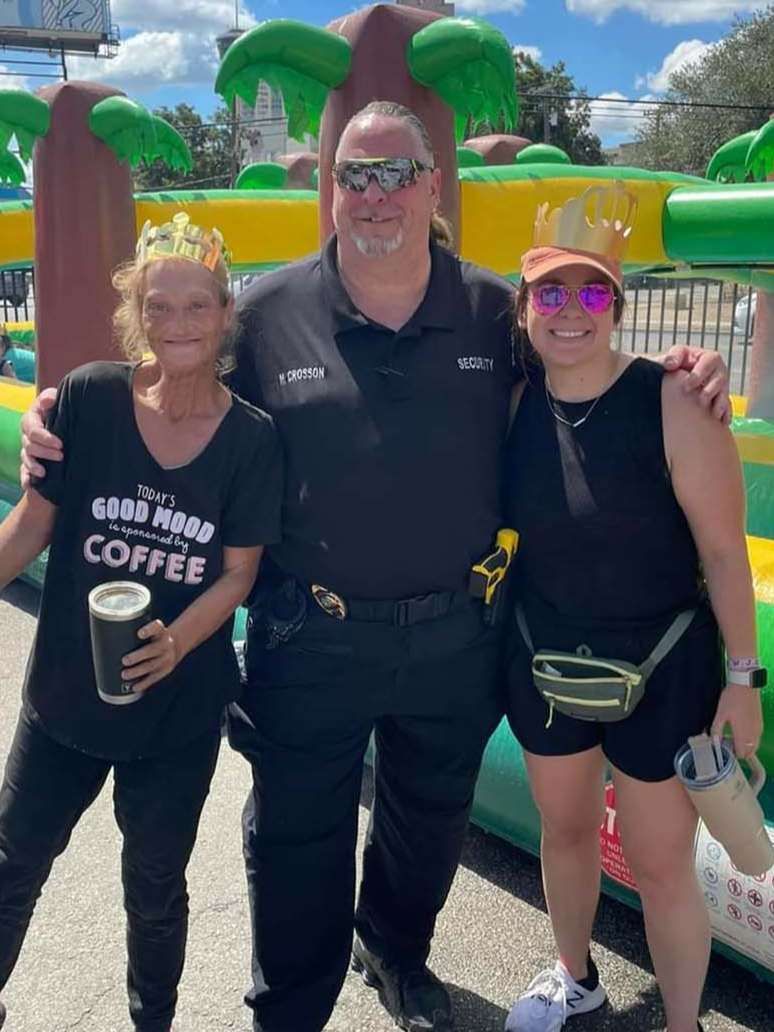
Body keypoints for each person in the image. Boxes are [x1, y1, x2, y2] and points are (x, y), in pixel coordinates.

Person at [20, 104, 731, 1032]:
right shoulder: (271, 314)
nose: (376, 194)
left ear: (436, 186)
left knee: (427, 824)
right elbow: (171, 385)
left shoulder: (490, 309)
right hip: (309, 632)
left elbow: (582, 358)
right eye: (356, 174)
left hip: (456, 632)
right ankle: (292, 1004)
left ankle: (394, 952)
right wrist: (57, 409)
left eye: (398, 174)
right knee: (295, 836)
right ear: (331, 189)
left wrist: (680, 367)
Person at [0, 213, 283, 1032]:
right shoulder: (88, 397)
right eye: (160, 307)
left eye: (197, 306)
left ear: (226, 314)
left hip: (175, 713)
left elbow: (239, 572)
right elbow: (29, 526)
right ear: (137, 315)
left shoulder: (251, 441)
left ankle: (149, 1023)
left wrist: (176, 642)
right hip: (62, 699)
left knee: (154, 890)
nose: (179, 324)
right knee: (12, 866)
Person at [502, 184, 763, 1032]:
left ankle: (681, 1024)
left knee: (660, 867)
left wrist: (742, 679)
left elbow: (726, 554)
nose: (569, 311)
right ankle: (574, 980)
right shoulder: (508, 400)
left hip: (664, 668)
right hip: (544, 656)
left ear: (615, 306)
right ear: (525, 306)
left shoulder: (677, 401)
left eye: (590, 293)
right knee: (566, 832)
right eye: (551, 291)